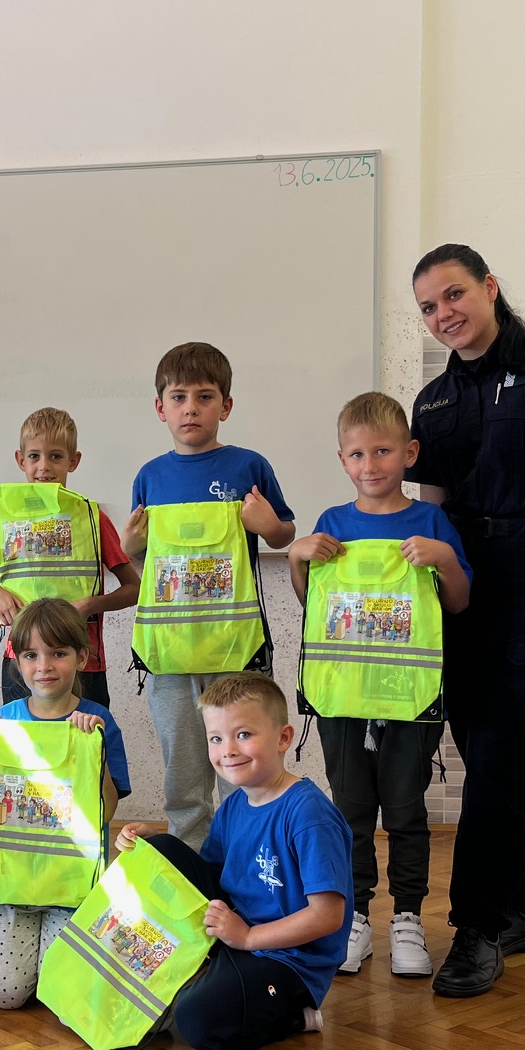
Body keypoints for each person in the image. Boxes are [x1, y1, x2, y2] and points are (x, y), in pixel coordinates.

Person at [408, 244, 525, 998]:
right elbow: (430, 510)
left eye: (454, 294)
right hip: (460, 592)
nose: (443, 314)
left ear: (489, 287)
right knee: (494, 759)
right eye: (428, 306)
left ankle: (476, 928)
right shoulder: (431, 402)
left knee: (497, 757)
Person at [287, 392, 469, 981]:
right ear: (342, 460)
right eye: (358, 454)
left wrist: (445, 559)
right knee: (352, 811)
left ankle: (408, 917)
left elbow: (458, 602)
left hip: (411, 698)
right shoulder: (333, 523)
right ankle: (356, 916)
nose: (372, 465)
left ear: (409, 453)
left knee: (407, 811)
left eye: (384, 451)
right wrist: (297, 558)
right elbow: (315, 606)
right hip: (343, 699)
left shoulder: (430, 521)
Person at [116, 675, 351, 1050]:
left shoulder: (309, 814)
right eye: (216, 738)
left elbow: (327, 916)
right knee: (161, 848)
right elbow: (206, 877)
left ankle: (294, 1016)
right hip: (237, 936)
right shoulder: (234, 805)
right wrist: (151, 845)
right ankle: (209, 966)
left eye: (243, 734)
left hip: (290, 961)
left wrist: (248, 938)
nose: (228, 750)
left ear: (283, 738)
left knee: (197, 1022)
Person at [121, 342, 296, 848]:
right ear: (161, 408)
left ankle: (245, 860)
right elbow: (143, 557)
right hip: (170, 656)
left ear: (226, 405)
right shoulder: (150, 476)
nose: (191, 408)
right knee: (183, 774)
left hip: (235, 650)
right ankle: (191, 868)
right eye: (178, 397)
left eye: (204, 396)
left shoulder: (249, 466)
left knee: (242, 764)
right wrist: (130, 544)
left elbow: (283, 535)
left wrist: (270, 526)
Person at [0, 597, 131, 1010]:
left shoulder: (98, 722)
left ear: (82, 657)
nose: (44, 667)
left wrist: (95, 751)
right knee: (6, 994)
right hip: (12, 884)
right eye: (31, 655)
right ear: (17, 660)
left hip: (71, 885)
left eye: (58, 653)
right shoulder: (2, 722)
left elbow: (106, 812)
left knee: (60, 991)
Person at [0, 407, 141, 709]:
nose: (44, 466)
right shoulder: (2, 521)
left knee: (85, 739)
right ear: (20, 460)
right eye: (34, 456)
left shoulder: (92, 518)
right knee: (22, 739)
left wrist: (89, 605)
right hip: (21, 660)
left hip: (84, 661)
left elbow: (134, 589)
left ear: (74, 461)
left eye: (56, 456)